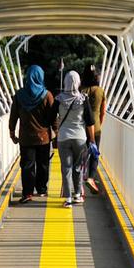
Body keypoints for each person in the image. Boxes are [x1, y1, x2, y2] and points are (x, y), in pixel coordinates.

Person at [9, 65, 56, 203]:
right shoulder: (47, 95)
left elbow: (13, 116)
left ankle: (28, 193)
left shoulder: (19, 95)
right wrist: (56, 132)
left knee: (27, 165)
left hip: (26, 138)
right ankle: (41, 189)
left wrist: (12, 133)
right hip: (44, 137)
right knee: (43, 164)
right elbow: (54, 116)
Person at [54, 70, 96, 206]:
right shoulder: (83, 99)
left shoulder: (58, 99)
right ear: (78, 82)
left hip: (63, 137)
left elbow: (50, 117)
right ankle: (78, 194)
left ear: (65, 82)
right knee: (77, 167)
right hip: (80, 138)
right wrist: (92, 139)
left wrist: (56, 129)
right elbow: (90, 121)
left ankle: (68, 199)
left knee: (66, 167)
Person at [81, 65, 107, 194]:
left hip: (80, 128)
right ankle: (91, 178)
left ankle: (78, 182)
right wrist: (99, 124)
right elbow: (103, 112)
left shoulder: (81, 90)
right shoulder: (100, 91)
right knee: (94, 154)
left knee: (80, 155)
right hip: (95, 128)